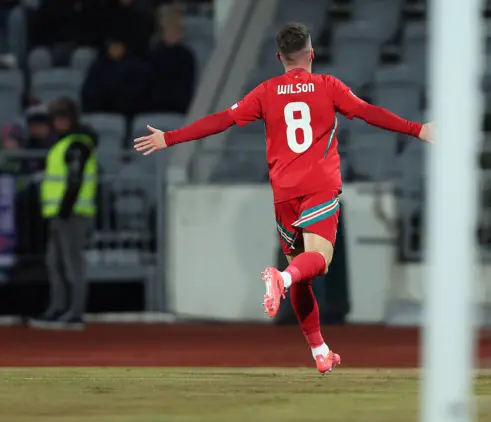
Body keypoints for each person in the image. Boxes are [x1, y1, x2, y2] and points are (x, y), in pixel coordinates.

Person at [134, 23, 434, 374]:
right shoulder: (329, 86)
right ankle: (282, 280)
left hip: (283, 194)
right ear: (311, 54)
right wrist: (418, 129)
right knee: (318, 261)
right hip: (318, 186)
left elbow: (222, 120)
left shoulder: (265, 91)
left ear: (279, 58)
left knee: (301, 272)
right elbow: (369, 112)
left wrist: (170, 138)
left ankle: (320, 350)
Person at [29, 98, 98, 330]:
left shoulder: (77, 144)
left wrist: (65, 209)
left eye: (64, 117)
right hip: (60, 213)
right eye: (56, 117)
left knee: (71, 264)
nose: (60, 121)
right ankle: (58, 308)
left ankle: (75, 312)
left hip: (73, 213)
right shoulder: (64, 143)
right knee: (55, 263)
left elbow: (75, 180)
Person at [147, 7, 195, 113]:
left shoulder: (187, 55)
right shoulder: (154, 54)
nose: (173, 33)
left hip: (179, 107)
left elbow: (187, 88)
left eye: (176, 30)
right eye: (169, 29)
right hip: (155, 107)